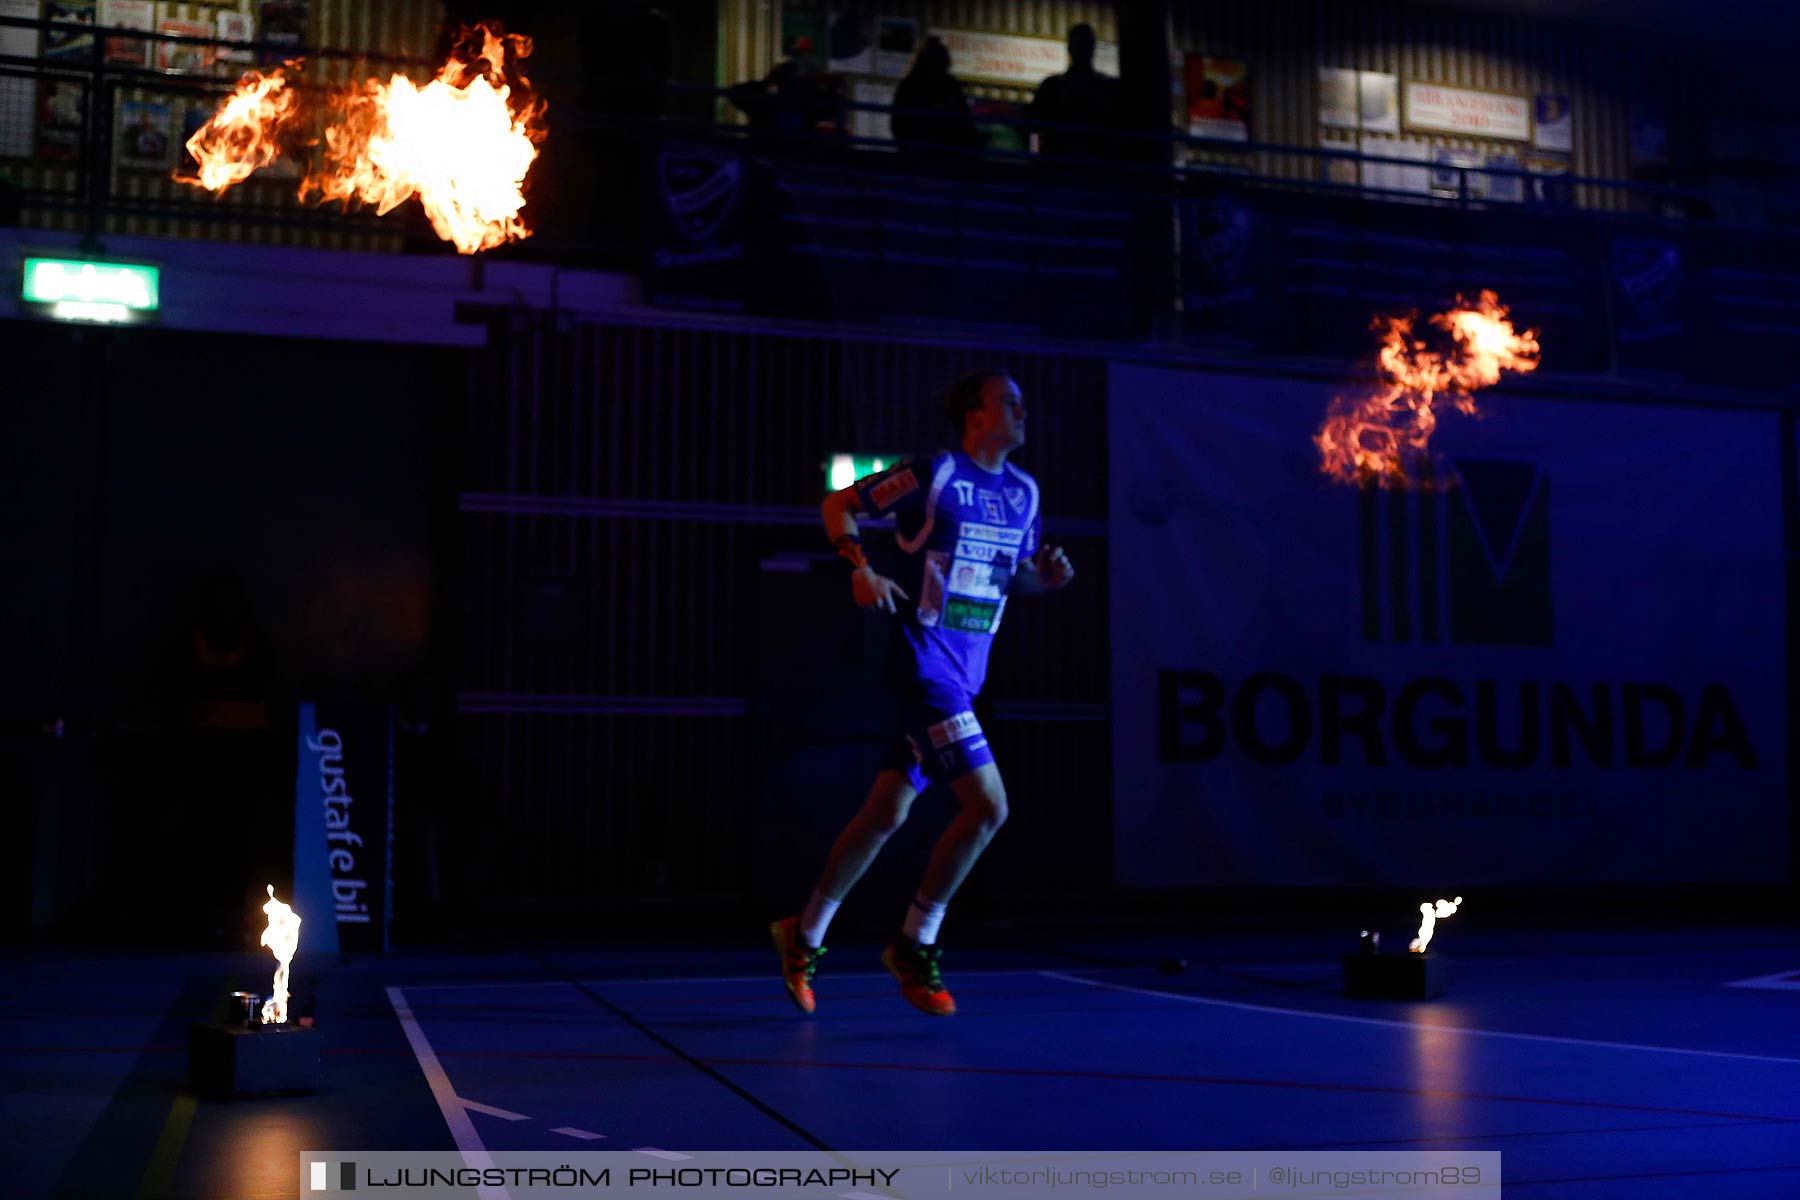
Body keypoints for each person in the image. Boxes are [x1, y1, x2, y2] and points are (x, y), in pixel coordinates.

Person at [770, 371, 1076, 1016]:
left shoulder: (1025, 493)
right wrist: (861, 569)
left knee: (886, 812)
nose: (1023, 411)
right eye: (1009, 403)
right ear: (974, 415)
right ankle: (915, 942)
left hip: (968, 675)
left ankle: (803, 933)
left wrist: (1043, 582)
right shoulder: (933, 475)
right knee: (989, 809)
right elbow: (838, 505)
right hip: (925, 667)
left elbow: (1009, 580)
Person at [1026, 23, 1121, 161]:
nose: (1083, 50)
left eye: (1085, 45)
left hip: (1070, 163)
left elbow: (1033, 122)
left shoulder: (1053, 85)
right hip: (1085, 164)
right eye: (1081, 45)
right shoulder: (1107, 87)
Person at [890, 36, 981, 153]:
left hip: (923, 150)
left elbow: (898, 122)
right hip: (938, 150)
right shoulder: (949, 85)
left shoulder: (911, 83)